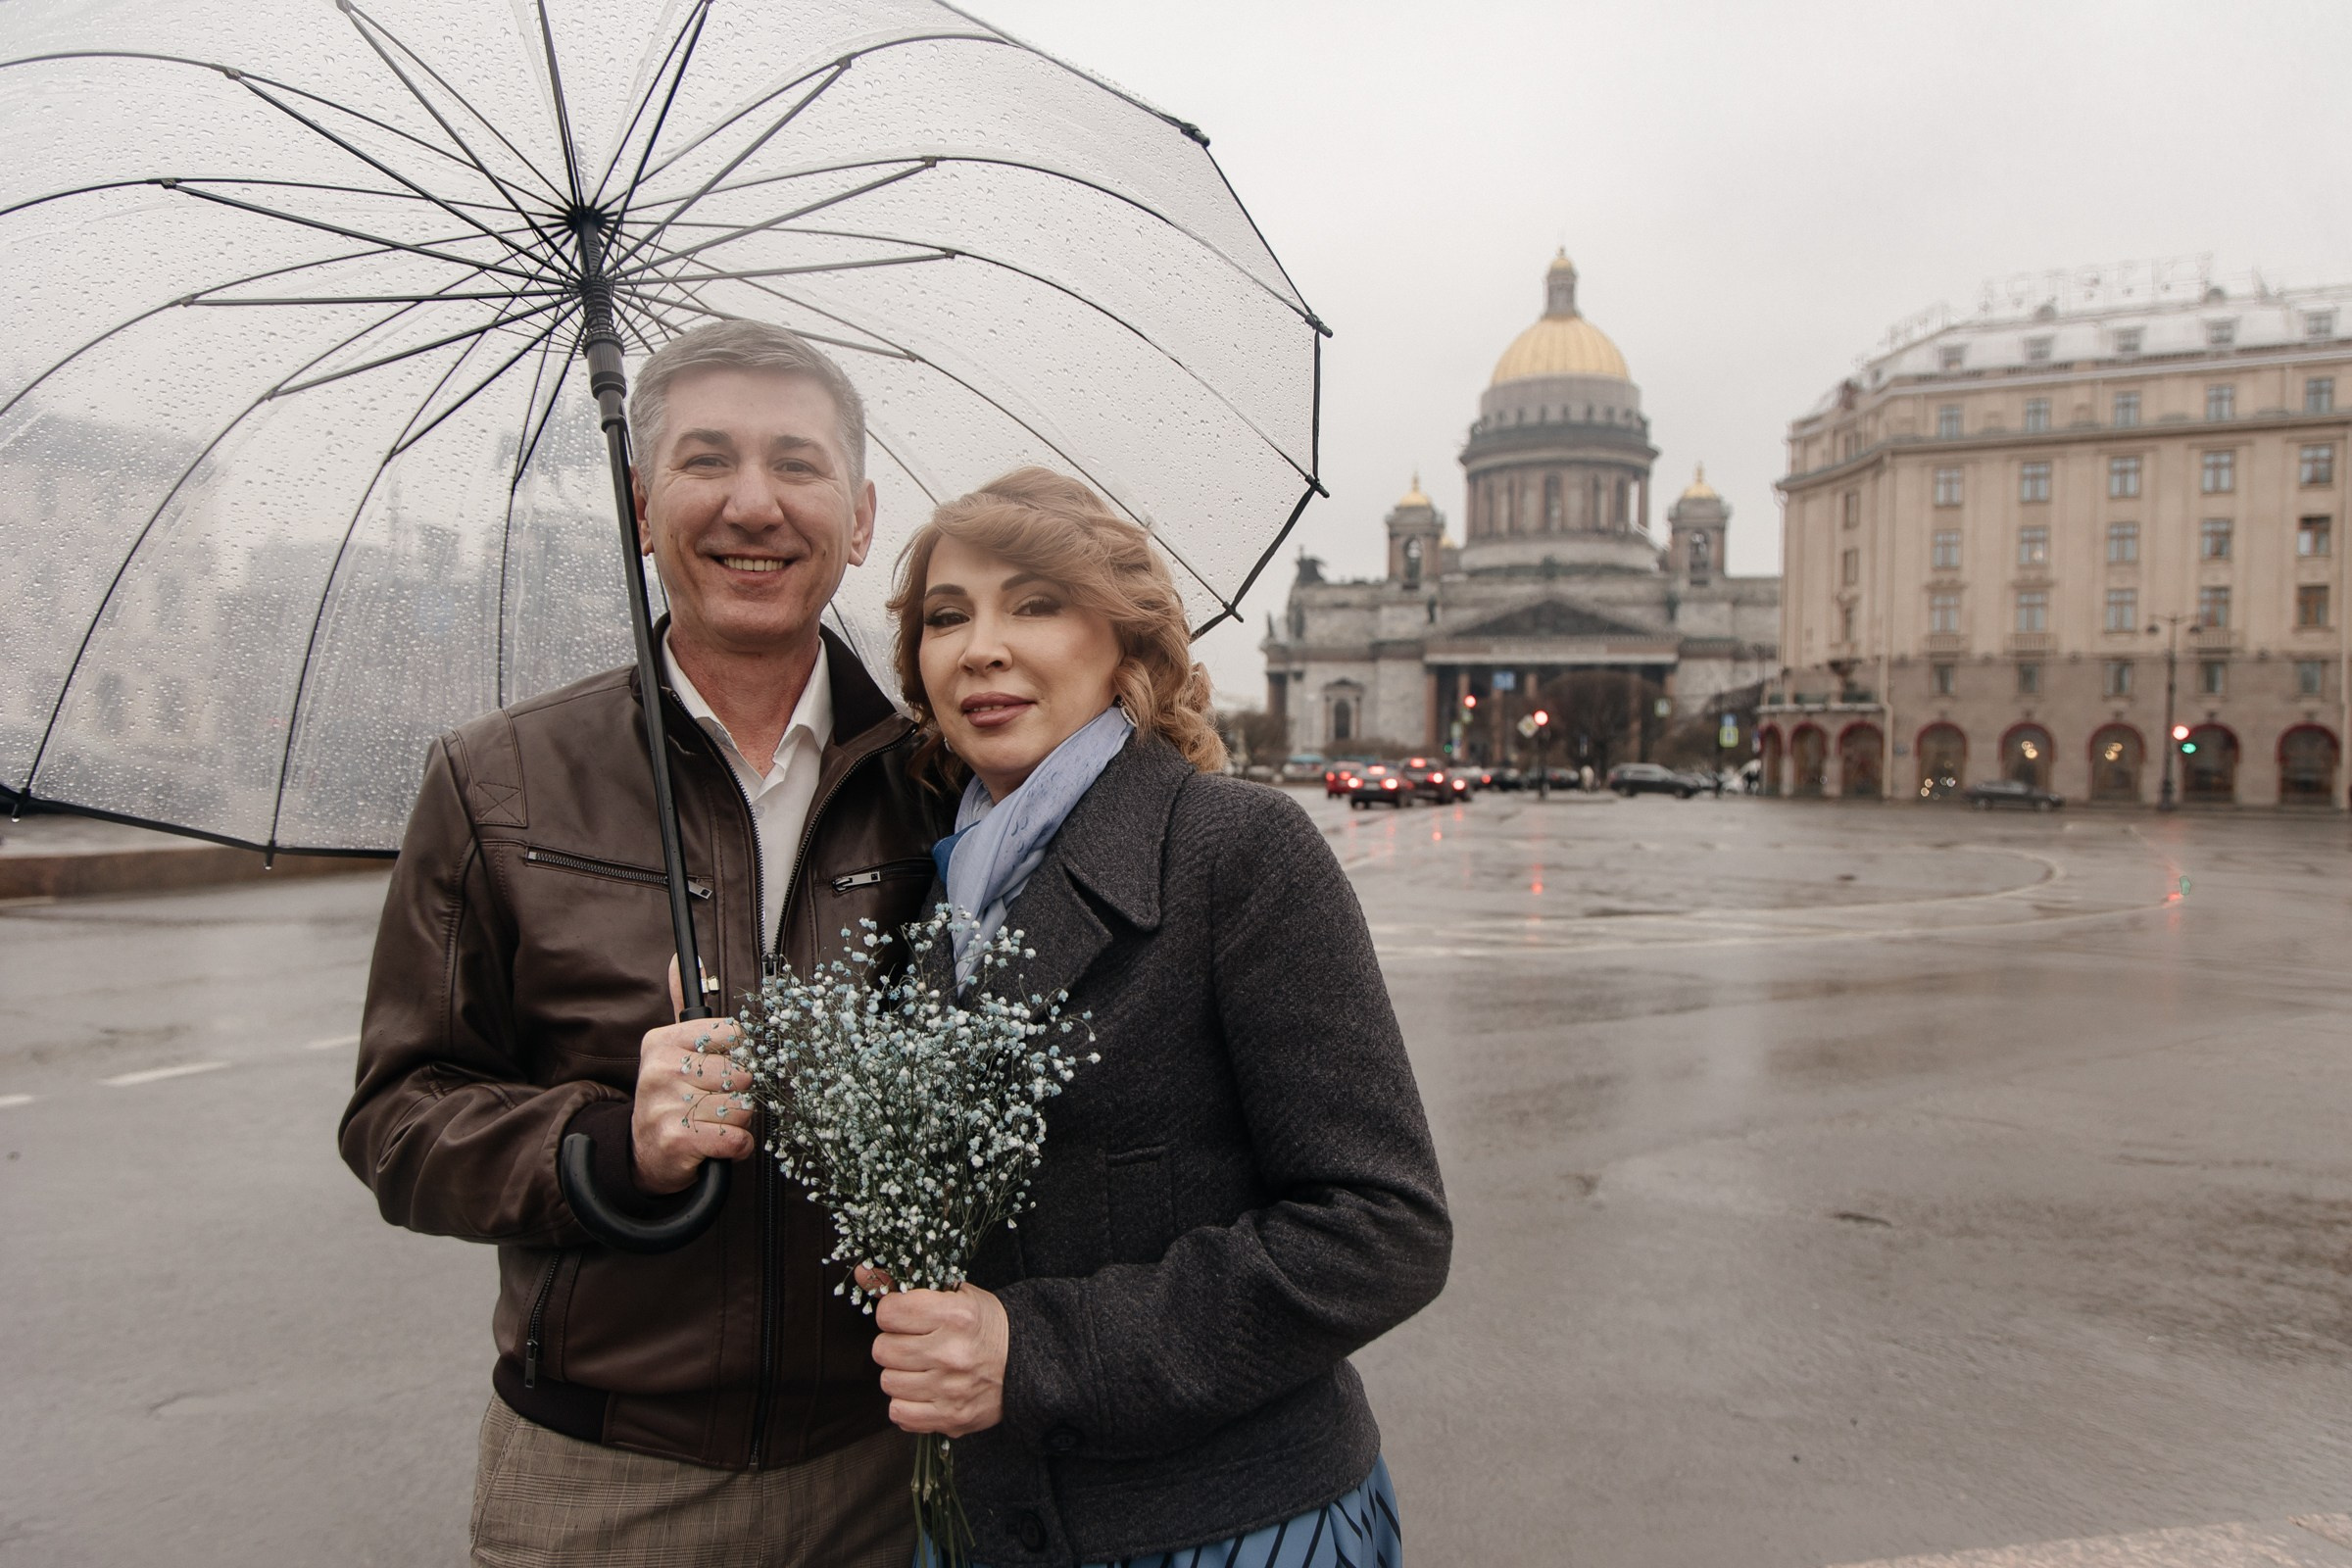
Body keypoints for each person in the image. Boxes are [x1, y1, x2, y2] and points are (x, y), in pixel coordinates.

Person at [339, 320, 945, 1567]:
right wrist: (608, 1149)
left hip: (891, 1468)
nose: (753, 505)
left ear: (865, 512)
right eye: (706, 461)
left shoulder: (944, 782)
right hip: (603, 1480)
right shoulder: (495, 778)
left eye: (799, 464)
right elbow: (399, 1119)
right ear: (639, 501)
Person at [864, 468, 1451, 1566]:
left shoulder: (1238, 850)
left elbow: (1383, 1230)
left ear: (1128, 647)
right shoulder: (940, 884)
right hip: (990, 1521)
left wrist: (1031, 1352)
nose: (980, 646)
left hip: (1227, 1527)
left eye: (1035, 602)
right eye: (946, 618)